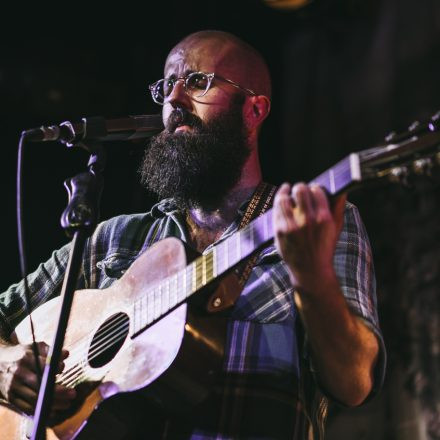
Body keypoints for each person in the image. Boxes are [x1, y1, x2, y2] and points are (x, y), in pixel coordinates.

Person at [0, 30, 385, 439]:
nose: (174, 100)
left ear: (254, 110)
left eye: (198, 81)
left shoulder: (313, 222)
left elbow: (355, 382)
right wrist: (6, 364)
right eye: (167, 85)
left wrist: (311, 277)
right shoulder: (113, 240)